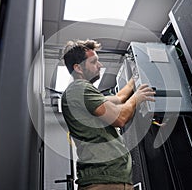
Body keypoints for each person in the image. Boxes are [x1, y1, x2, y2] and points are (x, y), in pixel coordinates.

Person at [61, 39, 155, 190]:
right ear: (78, 68)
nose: (100, 65)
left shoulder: (83, 93)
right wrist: (137, 98)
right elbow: (120, 118)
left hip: (111, 180)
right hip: (104, 181)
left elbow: (119, 98)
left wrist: (134, 79)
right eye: (94, 62)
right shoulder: (79, 89)